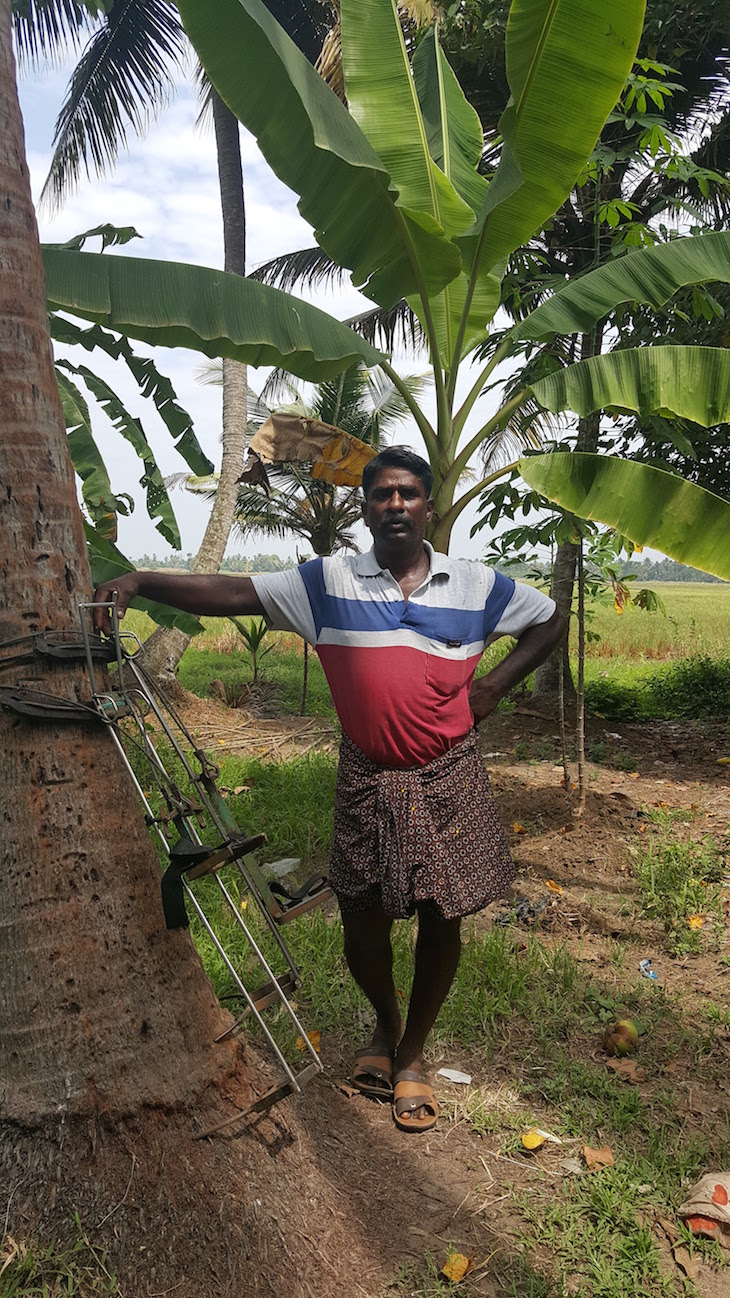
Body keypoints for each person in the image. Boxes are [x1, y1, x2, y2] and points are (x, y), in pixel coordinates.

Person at [93, 447, 564, 1133]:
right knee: (360, 920)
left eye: (408, 494)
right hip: (367, 777)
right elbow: (234, 593)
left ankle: (410, 1056)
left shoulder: (477, 586)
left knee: (444, 915)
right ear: (366, 507)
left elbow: (550, 619)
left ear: (428, 506)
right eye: (381, 495)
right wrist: (140, 579)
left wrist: (494, 684)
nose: (395, 505)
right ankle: (384, 1018)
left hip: (448, 775)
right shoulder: (327, 582)